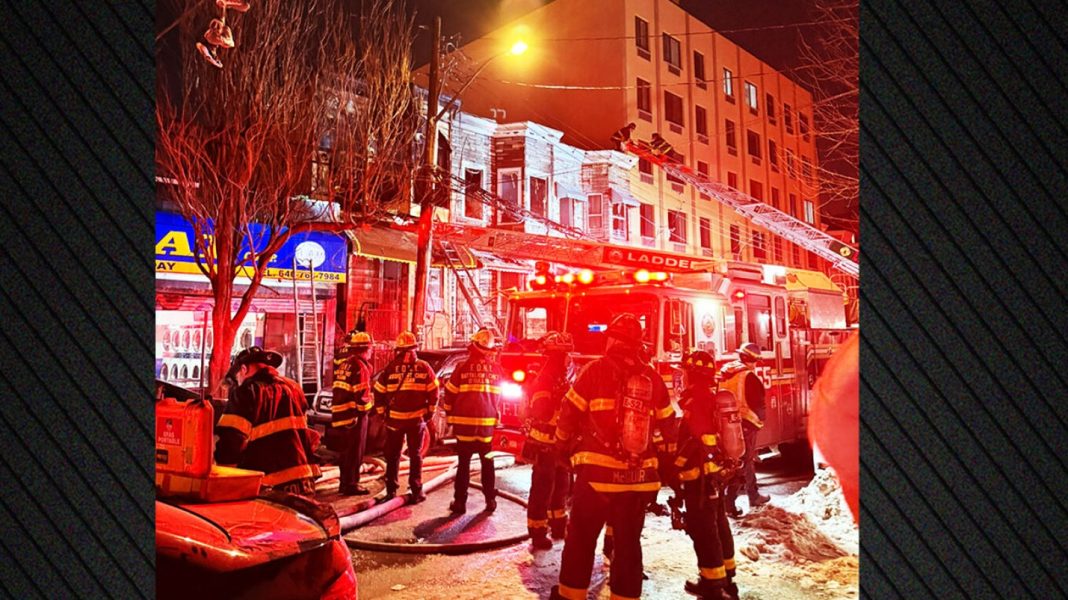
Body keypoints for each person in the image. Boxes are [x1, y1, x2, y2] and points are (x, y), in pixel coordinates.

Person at [549, 314, 677, 600]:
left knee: (581, 538)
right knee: (628, 544)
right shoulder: (653, 379)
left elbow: (569, 413)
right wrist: (665, 467)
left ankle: (571, 596)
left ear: (612, 340)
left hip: (596, 478)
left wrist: (561, 447)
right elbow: (669, 428)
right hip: (638, 480)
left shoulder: (594, 371)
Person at [675, 351, 741, 600]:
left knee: (704, 531)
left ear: (693, 374)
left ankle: (712, 586)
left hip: (700, 479)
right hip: (714, 476)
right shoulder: (709, 397)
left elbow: (697, 442)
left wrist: (675, 466)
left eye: (686, 372)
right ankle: (727, 579)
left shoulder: (697, 402)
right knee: (719, 524)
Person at [215, 346, 319, 495]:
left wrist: (224, 477)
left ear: (243, 369)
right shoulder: (295, 388)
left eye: (237, 378)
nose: (239, 382)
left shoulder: (247, 392)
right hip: (304, 482)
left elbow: (232, 441)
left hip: (267, 484)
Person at [522, 332, 575, 550]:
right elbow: (542, 411)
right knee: (542, 489)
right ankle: (537, 532)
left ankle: (558, 525)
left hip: (559, 443)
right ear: (557, 356)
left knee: (561, 486)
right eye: (565, 354)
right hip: (544, 442)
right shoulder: (545, 379)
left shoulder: (561, 377)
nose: (569, 359)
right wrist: (558, 400)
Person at [443, 328, 504, 515]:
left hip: (464, 427)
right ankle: (490, 500)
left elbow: (449, 393)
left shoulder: (462, 367)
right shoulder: (497, 370)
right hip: (486, 428)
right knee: (487, 463)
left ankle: (460, 503)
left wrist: (449, 415)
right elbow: (498, 398)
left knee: (464, 464)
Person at [372, 331, 438, 503]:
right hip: (416, 421)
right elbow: (434, 391)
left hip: (394, 421)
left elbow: (378, 391)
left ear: (399, 350)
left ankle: (391, 491)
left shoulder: (390, 368)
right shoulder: (424, 367)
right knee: (415, 455)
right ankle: (416, 491)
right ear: (415, 349)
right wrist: (429, 412)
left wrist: (382, 413)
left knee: (393, 455)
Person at [720, 343, 770, 516]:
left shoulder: (726, 372)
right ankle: (730, 502)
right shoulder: (749, 376)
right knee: (743, 463)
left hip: (726, 424)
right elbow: (758, 403)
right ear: (752, 359)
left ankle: (751, 495)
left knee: (733, 463)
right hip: (745, 424)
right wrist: (758, 422)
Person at [331, 331, 375, 496]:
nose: (371, 352)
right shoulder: (360, 367)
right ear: (365, 349)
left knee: (345, 453)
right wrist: (370, 408)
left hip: (341, 415)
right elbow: (361, 396)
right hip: (354, 417)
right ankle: (352, 484)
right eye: (370, 349)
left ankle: (344, 483)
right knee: (355, 452)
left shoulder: (345, 364)